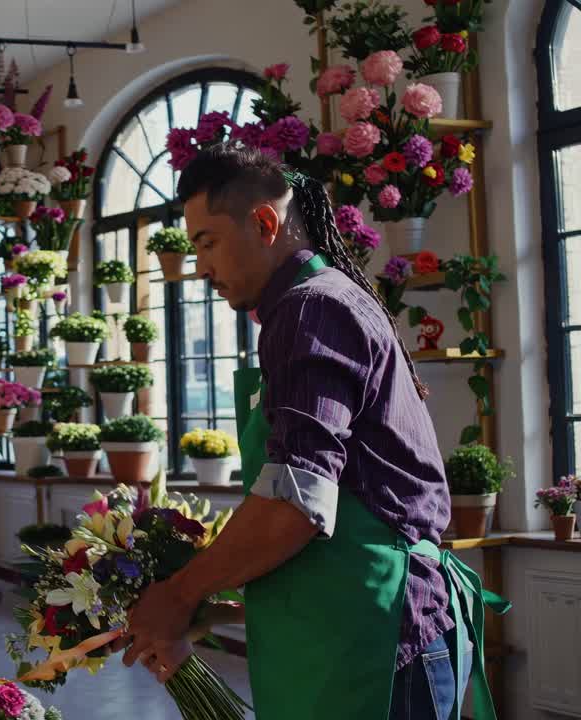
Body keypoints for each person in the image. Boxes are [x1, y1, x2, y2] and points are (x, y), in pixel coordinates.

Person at [117, 144, 507, 719]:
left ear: (265, 222)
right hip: (343, 628)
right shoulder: (312, 306)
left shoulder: (310, 310)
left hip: (376, 647)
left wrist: (178, 595)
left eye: (207, 243)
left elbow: (297, 504)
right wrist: (207, 604)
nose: (200, 267)